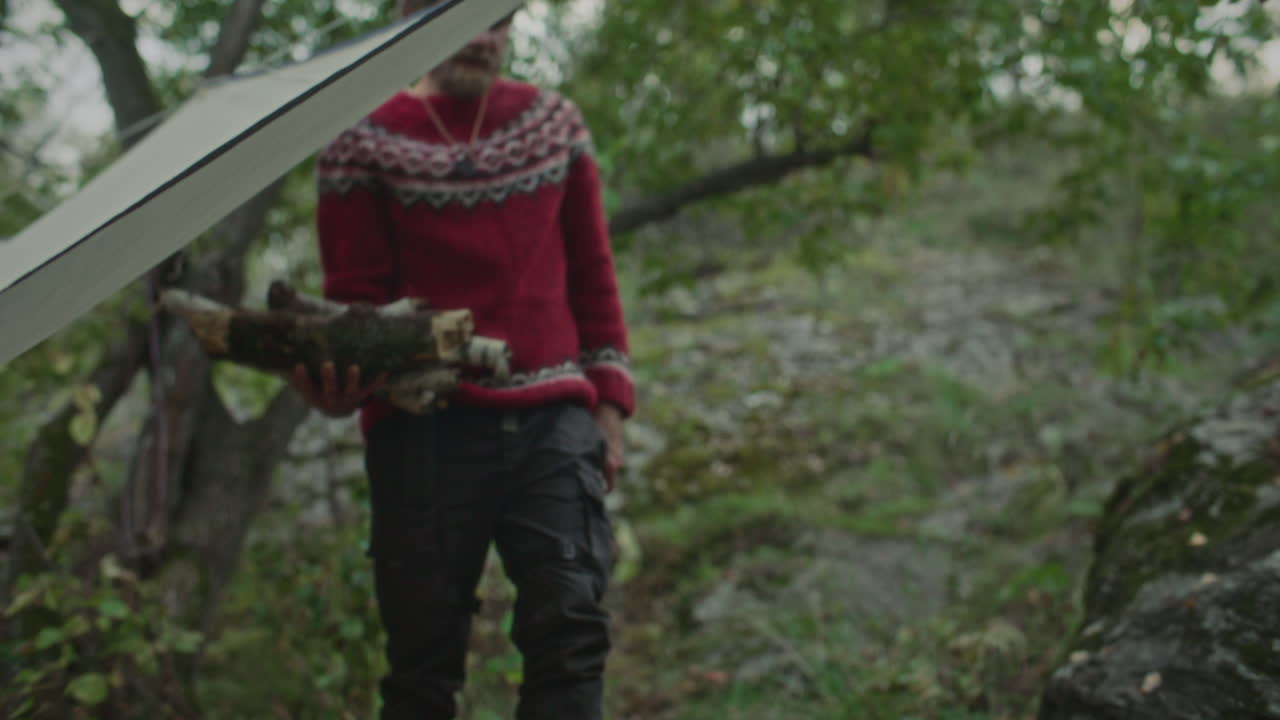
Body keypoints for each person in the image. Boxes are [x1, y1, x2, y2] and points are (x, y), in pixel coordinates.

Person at [290, 2, 635, 718]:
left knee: (571, 639)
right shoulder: (357, 139)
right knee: (422, 662)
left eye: (499, 18)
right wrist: (337, 387)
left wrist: (610, 406)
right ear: (407, 15)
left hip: (553, 422)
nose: (484, 36)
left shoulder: (553, 122)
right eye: (461, 15)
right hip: (422, 427)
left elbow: (592, 273)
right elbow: (354, 304)